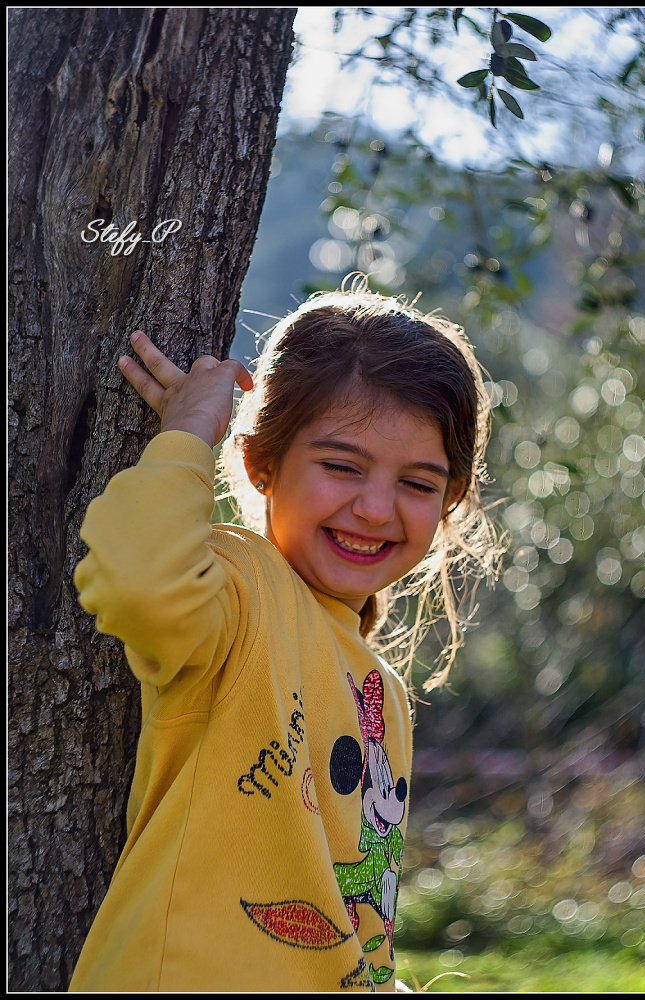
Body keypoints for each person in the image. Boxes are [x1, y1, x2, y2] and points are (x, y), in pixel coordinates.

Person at [68, 277, 504, 993]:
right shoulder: (240, 585)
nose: (373, 508)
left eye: (418, 483)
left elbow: (354, 906)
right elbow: (137, 582)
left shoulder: (380, 692)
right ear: (258, 463)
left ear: (448, 502)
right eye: (340, 466)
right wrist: (188, 434)